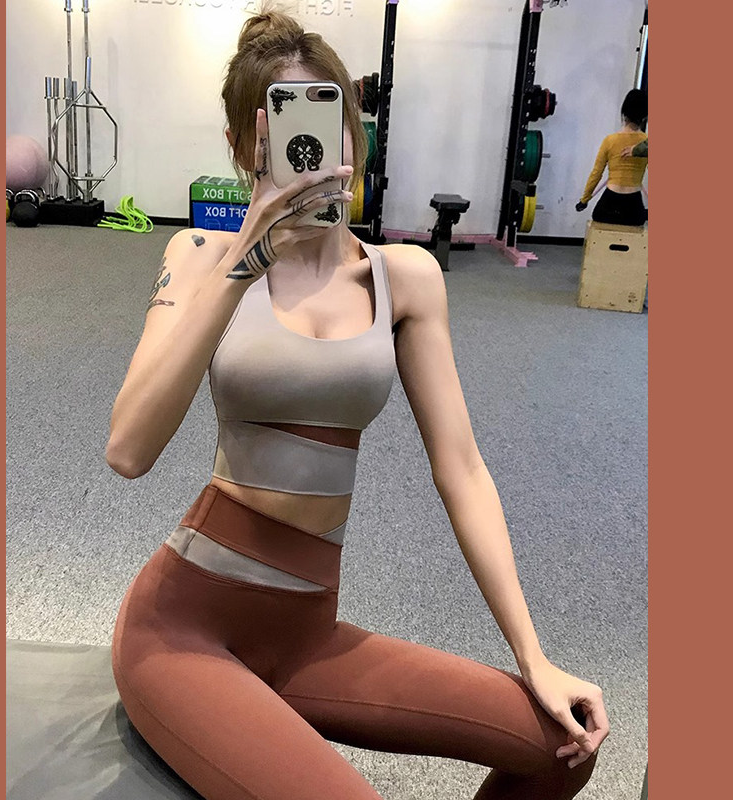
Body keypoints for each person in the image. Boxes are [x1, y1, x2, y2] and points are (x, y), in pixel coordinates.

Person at [108, 6, 609, 799]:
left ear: (355, 131)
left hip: (307, 634)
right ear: (244, 146)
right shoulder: (199, 257)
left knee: (561, 745)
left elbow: (462, 468)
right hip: (184, 631)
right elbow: (128, 450)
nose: (317, 151)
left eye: (330, 118)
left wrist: (532, 655)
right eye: (283, 127)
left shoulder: (404, 277)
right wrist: (242, 265)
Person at [576, 89, 648, 225]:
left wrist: (584, 200)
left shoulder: (609, 141)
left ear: (624, 113)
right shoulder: (646, 143)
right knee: (640, 216)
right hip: (634, 209)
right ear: (644, 116)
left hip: (609, 205)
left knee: (597, 214)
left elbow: (596, 174)